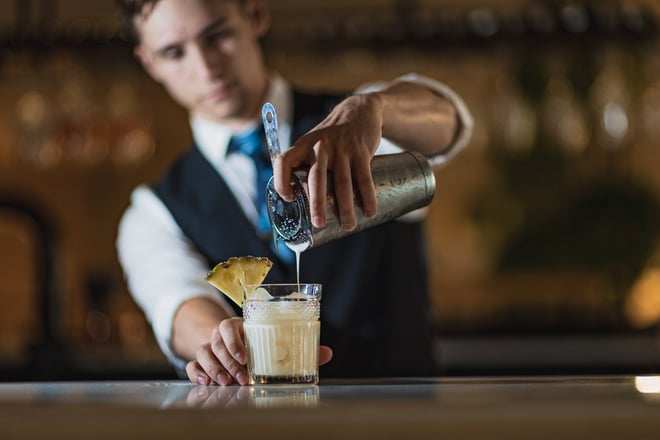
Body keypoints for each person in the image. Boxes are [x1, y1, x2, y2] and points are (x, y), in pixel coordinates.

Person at [115, 0, 473, 386]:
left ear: (254, 16)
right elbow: (178, 304)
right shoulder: (154, 211)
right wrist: (220, 341)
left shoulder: (357, 128)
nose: (206, 68)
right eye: (174, 52)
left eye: (217, 36)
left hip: (396, 420)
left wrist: (376, 108)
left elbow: (449, 124)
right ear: (149, 62)